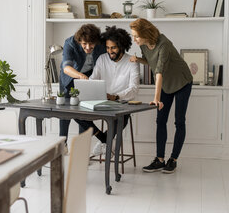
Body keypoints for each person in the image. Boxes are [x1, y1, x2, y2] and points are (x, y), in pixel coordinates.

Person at [129, 18, 193, 174]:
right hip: (165, 84)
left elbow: (158, 72)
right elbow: (152, 62)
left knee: (179, 121)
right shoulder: (143, 45)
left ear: (145, 33)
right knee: (161, 120)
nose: (134, 39)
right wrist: (138, 59)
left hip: (182, 82)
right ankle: (159, 160)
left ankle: (173, 160)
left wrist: (156, 98)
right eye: (133, 36)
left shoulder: (164, 44)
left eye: (136, 36)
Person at [74, 26, 140, 156]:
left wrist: (115, 97)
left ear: (122, 46)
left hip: (121, 103)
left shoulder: (132, 61)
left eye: (113, 48)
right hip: (101, 100)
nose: (110, 51)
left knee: (122, 118)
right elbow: (93, 80)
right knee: (77, 114)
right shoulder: (102, 59)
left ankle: (105, 142)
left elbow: (134, 89)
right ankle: (105, 140)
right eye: (108, 48)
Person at [59, 24, 106, 147]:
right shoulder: (70, 43)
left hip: (90, 76)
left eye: (91, 44)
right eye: (84, 44)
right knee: (65, 112)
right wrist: (80, 76)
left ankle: (81, 148)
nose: (88, 47)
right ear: (79, 40)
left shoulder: (101, 44)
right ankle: (62, 144)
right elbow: (66, 67)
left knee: (85, 111)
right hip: (71, 76)